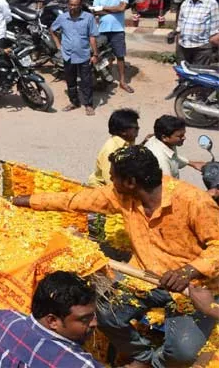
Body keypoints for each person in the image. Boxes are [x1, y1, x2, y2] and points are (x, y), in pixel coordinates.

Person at [12, 145, 219, 368]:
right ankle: (143, 358)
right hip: (143, 277)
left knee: (183, 352)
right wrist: (18, 201)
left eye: (113, 178)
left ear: (130, 182)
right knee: (103, 315)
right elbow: (73, 200)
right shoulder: (121, 196)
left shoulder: (194, 201)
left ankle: (156, 364)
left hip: (194, 289)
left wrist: (188, 271)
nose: (111, 184)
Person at [0, 273, 103, 368]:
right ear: (52, 321)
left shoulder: (2, 320)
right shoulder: (82, 365)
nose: (94, 323)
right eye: (85, 319)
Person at [51, 0, 99, 116]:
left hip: (84, 55)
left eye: (75, 5)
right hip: (68, 56)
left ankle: (88, 105)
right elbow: (52, 30)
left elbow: (92, 36)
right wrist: (58, 46)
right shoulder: (62, 18)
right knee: (70, 81)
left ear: (80, 5)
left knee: (86, 81)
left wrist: (95, 54)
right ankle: (74, 102)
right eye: (71, 5)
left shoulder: (88, 18)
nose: (72, 7)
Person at [93, 0, 134, 93]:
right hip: (101, 30)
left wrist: (103, 8)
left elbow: (122, 8)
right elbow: (95, 11)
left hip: (117, 30)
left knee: (120, 56)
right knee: (102, 57)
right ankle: (105, 81)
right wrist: (114, 9)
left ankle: (122, 81)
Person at [88, 108, 140, 187]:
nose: (138, 129)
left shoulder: (127, 140)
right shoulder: (110, 150)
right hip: (102, 188)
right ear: (123, 131)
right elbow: (111, 181)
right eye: (135, 128)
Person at [176, 0, 219, 65]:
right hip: (184, 46)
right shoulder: (185, 3)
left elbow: (215, 25)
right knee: (183, 74)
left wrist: (212, 45)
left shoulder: (211, 3)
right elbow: (180, 25)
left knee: (198, 75)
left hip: (202, 47)